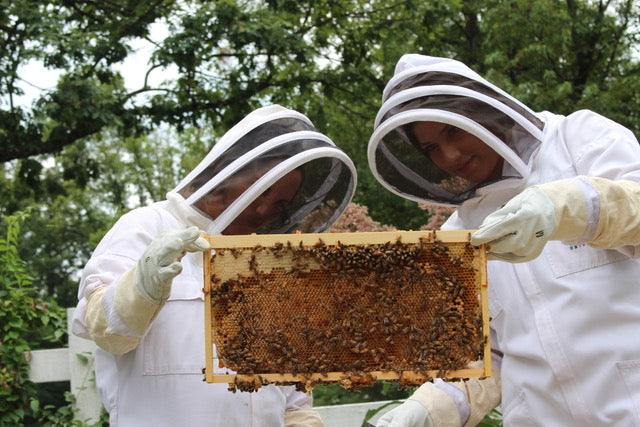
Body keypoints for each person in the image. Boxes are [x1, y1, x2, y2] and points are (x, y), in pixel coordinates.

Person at [367, 54, 640, 426]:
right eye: (430, 148)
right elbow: (486, 356)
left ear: (481, 111)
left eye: (452, 130)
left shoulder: (579, 140)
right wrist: (430, 410)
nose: (449, 156)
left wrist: (567, 206)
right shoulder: (458, 232)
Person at [71, 104, 357, 426]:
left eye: (279, 204)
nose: (264, 209)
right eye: (262, 188)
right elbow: (104, 329)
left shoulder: (267, 264)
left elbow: (291, 396)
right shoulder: (147, 224)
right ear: (228, 171)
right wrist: (143, 284)